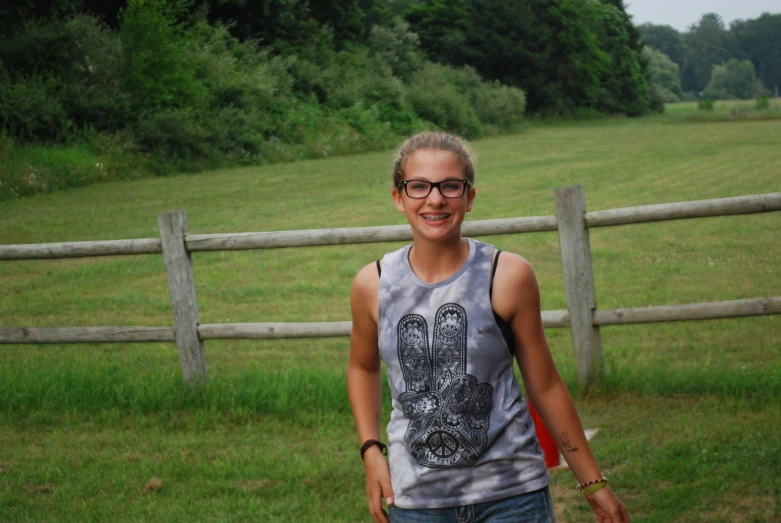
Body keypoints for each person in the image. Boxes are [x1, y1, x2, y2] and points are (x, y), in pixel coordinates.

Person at [347, 132, 629, 523]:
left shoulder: (507, 275)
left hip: (512, 497)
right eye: (418, 186)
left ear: (470, 197)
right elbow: (362, 367)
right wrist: (370, 450)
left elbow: (544, 384)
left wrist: (592, 483)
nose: (435, 199)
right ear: (399, 197)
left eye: (450, 185)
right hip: (415, 501)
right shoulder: (373, 284)